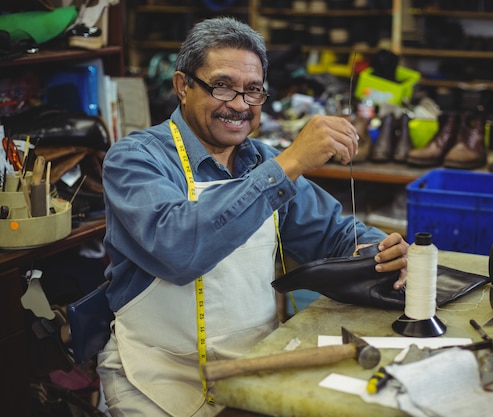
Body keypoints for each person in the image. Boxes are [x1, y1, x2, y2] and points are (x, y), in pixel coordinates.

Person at [97, 16, 409, 417]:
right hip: (156, 376)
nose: (240, 106)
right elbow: (177, 248)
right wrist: (291, 162)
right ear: (182, 86)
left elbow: (334, 234)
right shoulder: (136, 159)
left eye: (253, 91)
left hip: (257, 362)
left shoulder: (259, 160)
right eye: (222, 86)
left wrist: (380, 248)